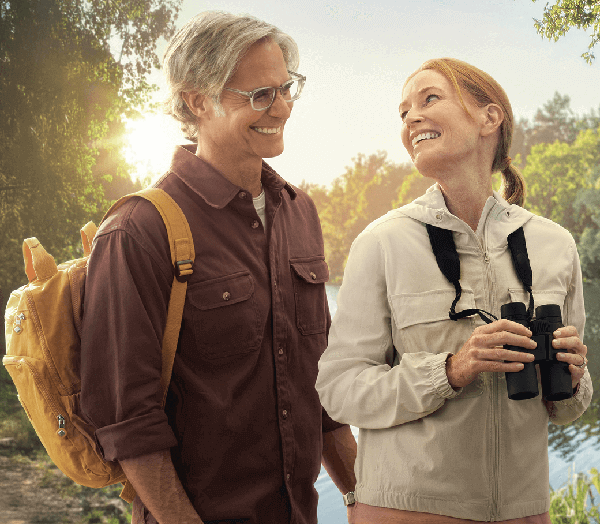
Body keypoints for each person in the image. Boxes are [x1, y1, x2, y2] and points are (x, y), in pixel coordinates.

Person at [79, 11, 357, 524]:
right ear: (195, 100)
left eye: (287, 88)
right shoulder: (137, 230)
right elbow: (127, 424)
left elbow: (321, 392)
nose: (283, 107)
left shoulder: (300, 214)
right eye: (260, 95)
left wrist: (364, 501)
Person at [315, 58, 593, 523]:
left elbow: (566, 410)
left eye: (429, 99)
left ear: (490, 118)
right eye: (403, 112)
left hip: (525, 512)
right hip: (404, 512)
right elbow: (339, 390)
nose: (411, 119)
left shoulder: (556, 245)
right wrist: (451, 369)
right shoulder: (381, 242)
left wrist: (570, 376)